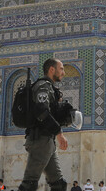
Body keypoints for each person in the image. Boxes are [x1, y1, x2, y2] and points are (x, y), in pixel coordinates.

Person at [17, 58, 71, 191]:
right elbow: (41, 111)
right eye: (61, 69)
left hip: (47, 141)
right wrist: (59, 133)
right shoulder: (43, 86)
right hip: (40, 140)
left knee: (59, 185)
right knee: (29, 184)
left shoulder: (50, 88)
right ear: (52, 69)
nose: (63, 72)